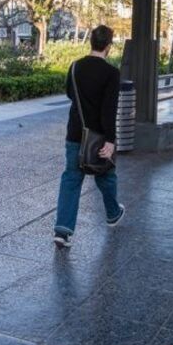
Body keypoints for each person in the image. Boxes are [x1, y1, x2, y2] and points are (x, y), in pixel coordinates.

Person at [54, 25, 125, 248]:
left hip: (76, 133)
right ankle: (113, 213)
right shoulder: (111, 73)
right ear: (109, 46)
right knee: (106, 175)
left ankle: (63, 231)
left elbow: (69, 93)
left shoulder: (75, 66)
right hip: (98, 136)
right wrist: (111, 141)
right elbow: (109, 109)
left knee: (71, 179)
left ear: (91, 42)